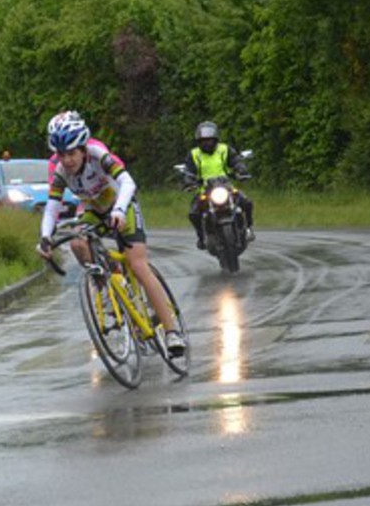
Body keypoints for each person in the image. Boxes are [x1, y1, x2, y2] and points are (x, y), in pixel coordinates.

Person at [37, 111, 187, 356]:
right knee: (77, 243)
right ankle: (107, 283)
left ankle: (172, 332)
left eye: (72, 153)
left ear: (83, 149)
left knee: (137, 265)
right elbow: (52, 206)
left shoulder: (98, 154)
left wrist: (119, 210)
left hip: (122, 205)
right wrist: (45, 237)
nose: (67, 160)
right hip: (94, 210)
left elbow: (128, 183)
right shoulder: (59, 169)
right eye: (61, 155)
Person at [181, 121, 254, 251]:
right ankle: (201, 237)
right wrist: (188, 181)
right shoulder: (194, 154)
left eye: (209, 140)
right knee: (193, 213)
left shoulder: (224, 149)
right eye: (203, 141)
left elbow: (235, 161)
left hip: (226, 187)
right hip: (204, 190)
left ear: (215, 139)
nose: (207, 143)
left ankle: (248, 228)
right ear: (198, 141)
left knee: (246, 202)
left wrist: (241, 170)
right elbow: (188, 170)